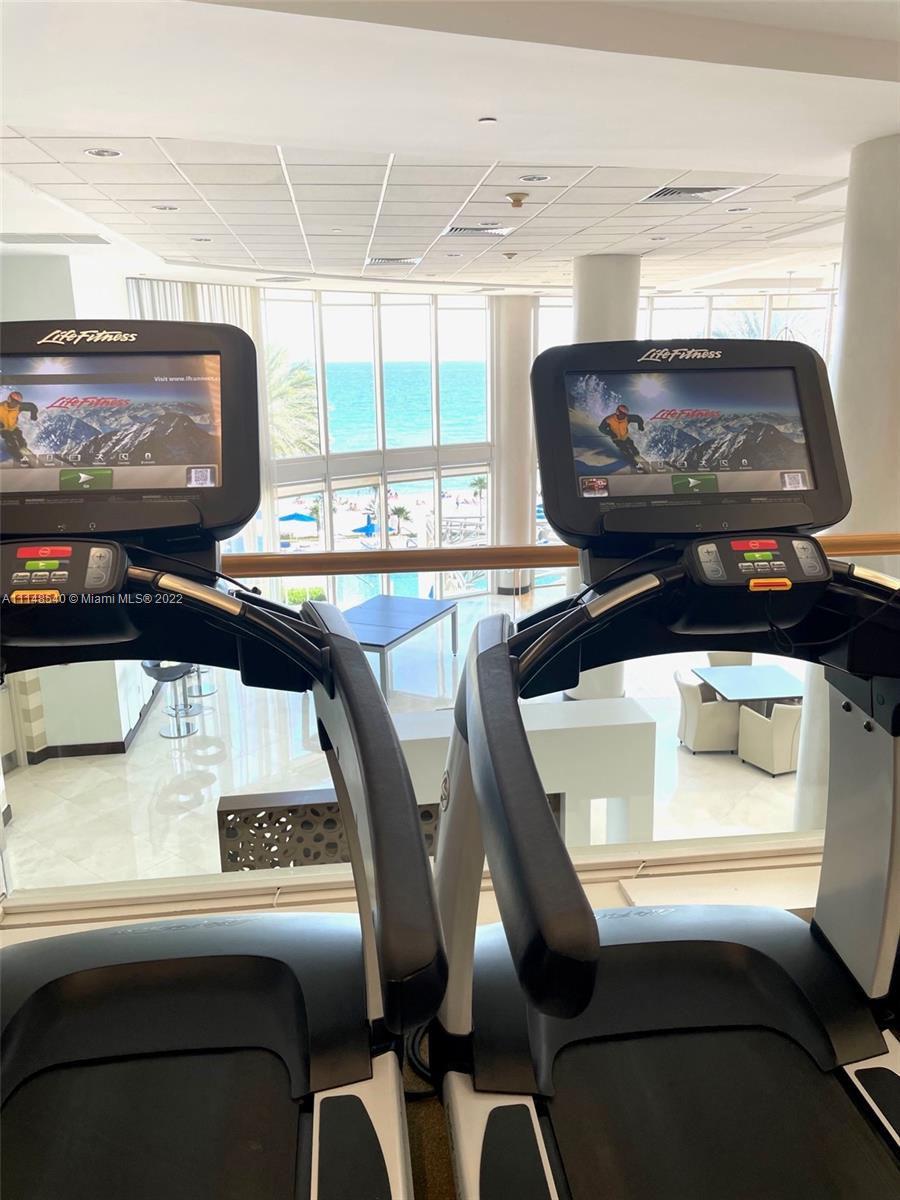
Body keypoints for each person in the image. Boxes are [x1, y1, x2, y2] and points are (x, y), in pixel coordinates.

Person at [599, 403, 645, 469]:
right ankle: (635, 464)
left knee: (633, 447)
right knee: (626, 450)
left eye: (625, 415)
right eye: (622, 414)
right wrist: (610, 433)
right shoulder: (609, 420)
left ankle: (637, 455)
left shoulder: (627, 418)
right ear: (618, 412)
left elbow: (638, 418)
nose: (623, 416)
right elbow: (601, 428)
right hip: (617, 439)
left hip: (625, 437)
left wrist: (640, 426)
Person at [0, 391, 39, 466]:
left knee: (20, 439)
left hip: (13, 428)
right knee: (11, 441)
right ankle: (18, 457)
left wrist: (34, 415)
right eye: (14, 401)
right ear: (9, 399)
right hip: (3, 430)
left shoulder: (19, 407)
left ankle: (24, 450)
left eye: (17, 402)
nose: (16, 404)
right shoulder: (1, 407)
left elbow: (32, 406)